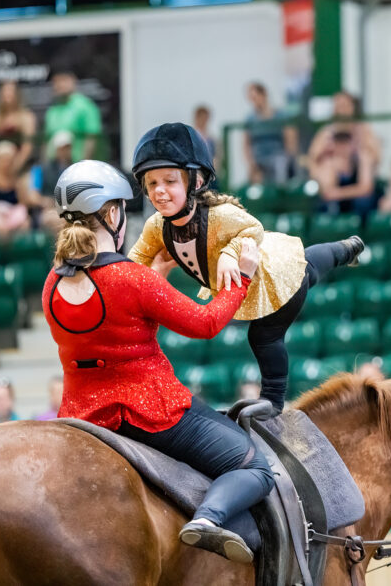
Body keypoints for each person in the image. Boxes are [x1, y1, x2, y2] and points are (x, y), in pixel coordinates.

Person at [45, 159, 273, 563]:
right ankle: (208, 519)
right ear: (113, 213)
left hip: (82, 418)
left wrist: (155, 281)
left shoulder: (53, 283)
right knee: (255, 467)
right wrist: (243, 275)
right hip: (148, 413)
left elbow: (108, 330)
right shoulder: (131, 277)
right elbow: (205, 324)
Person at [129, 123, 364, 412]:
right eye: (152, 184)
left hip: (271, 277)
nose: (160, 191)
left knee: (265, 333)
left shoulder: (220, 215)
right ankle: (346, 249)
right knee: (311, 265)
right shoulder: (155, 226)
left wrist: (229, 253)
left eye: (170, 181)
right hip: (257, 277)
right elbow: (134, 260)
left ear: (196, 182)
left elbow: (254, 228)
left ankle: (274, 402)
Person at [307, 119, 379, 219]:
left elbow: (367, 188)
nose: (342, 146)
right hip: (338, 206)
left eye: (345, 141)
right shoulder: (329, 161)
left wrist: (339, 193)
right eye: (338, 141)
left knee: (363, 202)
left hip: (357, 207)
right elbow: (327, 192)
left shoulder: (362, 157)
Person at [242, 81, 299, 185]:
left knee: (280, 167)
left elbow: (291, 140)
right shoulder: (250, 119)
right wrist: (251, 163)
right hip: (259, 160)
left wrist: (289, 160)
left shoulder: (281, 116)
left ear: (264, 95)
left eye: (255, 97)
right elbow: (246, 144)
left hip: (278, 158)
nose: (254, 101)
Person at [44, 71, 102, 162]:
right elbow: (47, 141)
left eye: (63, 80)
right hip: (54, 167)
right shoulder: (52, 110)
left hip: (77, 165)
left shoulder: (85, 106)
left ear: (72, 81)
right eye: (56, 81)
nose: (59, 85)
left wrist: (83, 165)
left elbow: (91, 137)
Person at [0, 81, 37, 169]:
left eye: (11, 91)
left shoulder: (27, 117)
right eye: (6, 91)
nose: (8, 94)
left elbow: (28, 147)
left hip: (20, 167)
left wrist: (15, 166)